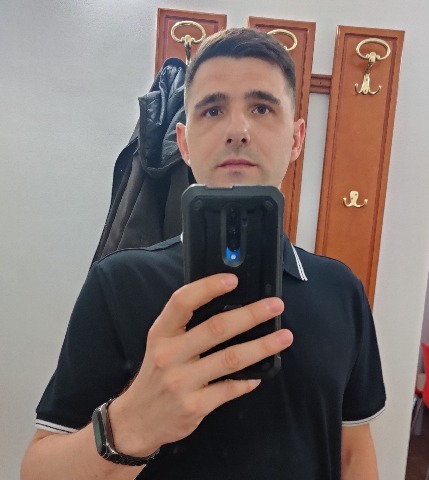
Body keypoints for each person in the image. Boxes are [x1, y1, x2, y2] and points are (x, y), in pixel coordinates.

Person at [21, 27, 386, 480]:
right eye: (213, 110)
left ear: (296, 139)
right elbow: (37, 470)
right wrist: (132, 424)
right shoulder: (118, 283)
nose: (238, 130)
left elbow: (353, 453)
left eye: (261, 108)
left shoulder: (342, 290)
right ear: (184, 143)